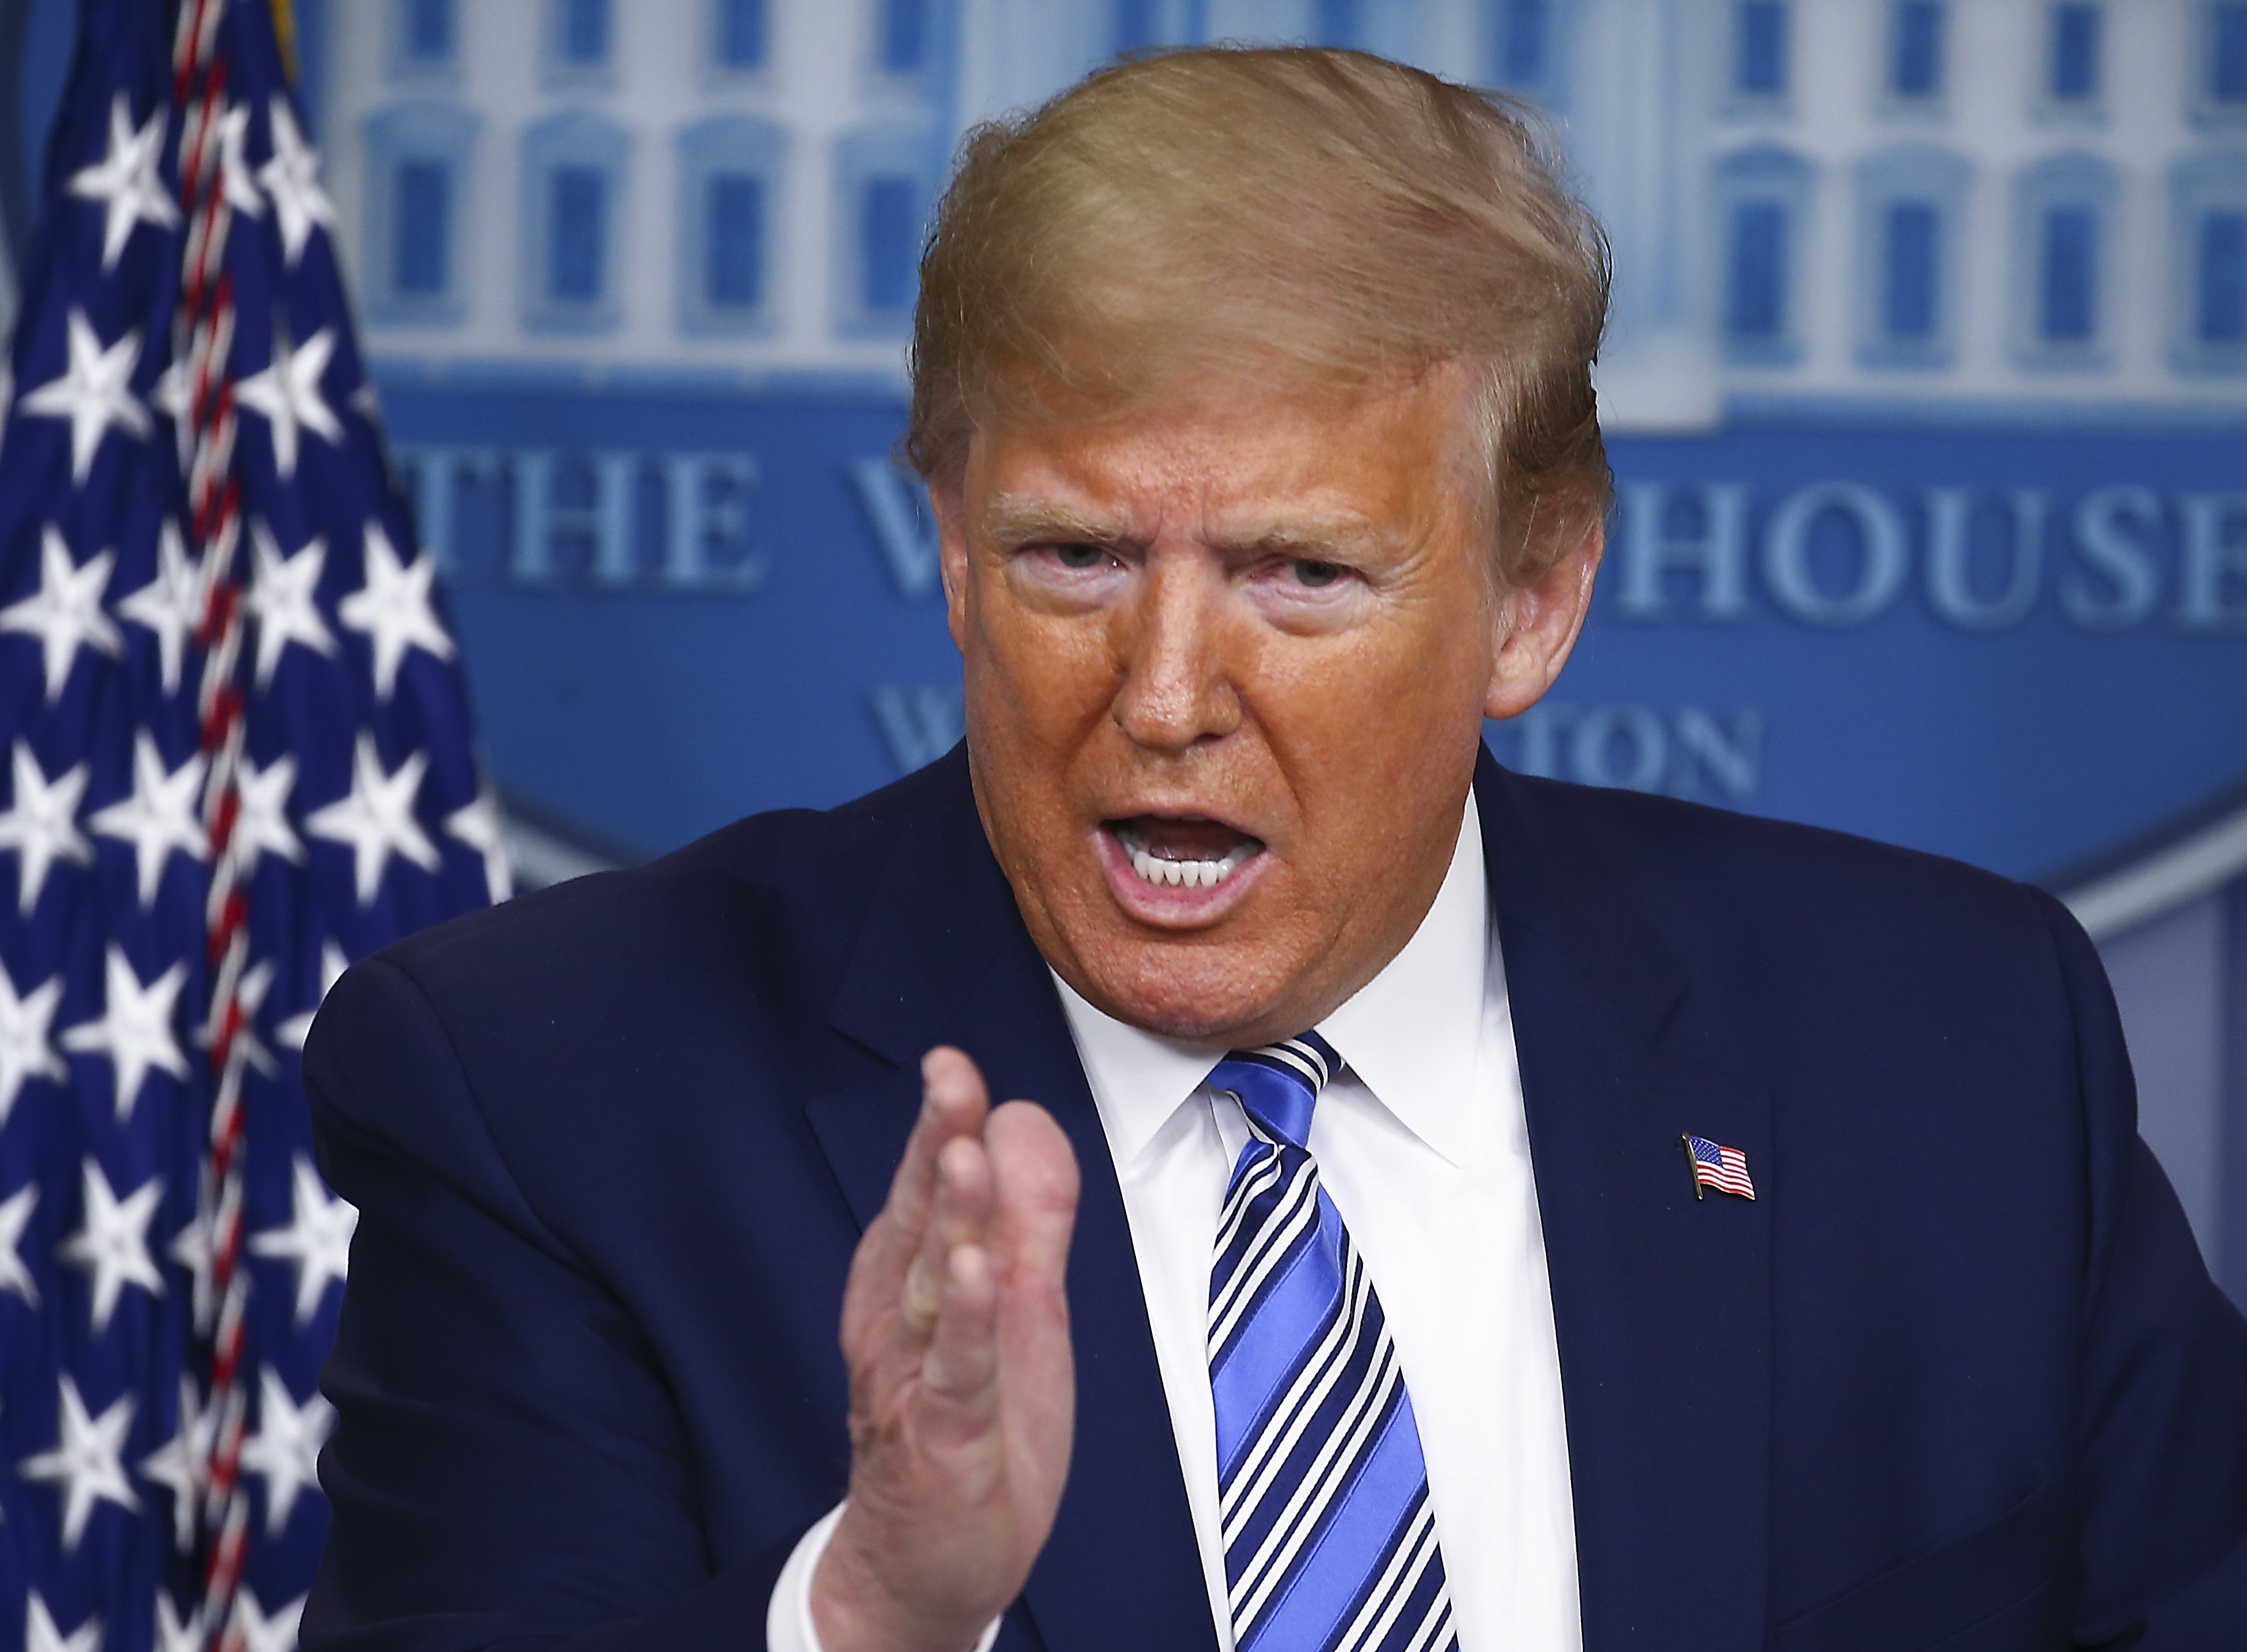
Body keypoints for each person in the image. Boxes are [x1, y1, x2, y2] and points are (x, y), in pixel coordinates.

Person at [299, 47, 2247, 1652]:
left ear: (1534, 599)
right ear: (950, 539)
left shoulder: (1952, 1051)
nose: (1160, 694)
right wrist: (872, 1606)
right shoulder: (561, 1093)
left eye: (1299, 574)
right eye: (1072, 555)